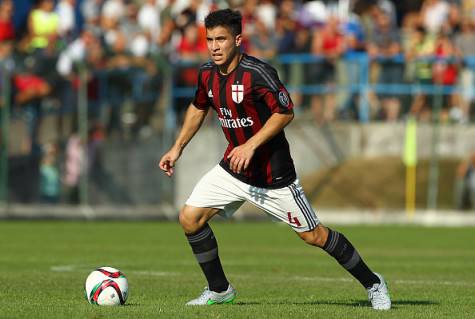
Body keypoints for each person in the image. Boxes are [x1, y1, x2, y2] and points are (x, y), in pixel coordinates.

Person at [158, 9, 391, 310]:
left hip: (273, 176)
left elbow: (286, 112)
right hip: (233, 169)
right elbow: (198, 107)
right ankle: (219, 290)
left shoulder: (258, 73)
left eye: (221, 39)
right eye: (210, 40)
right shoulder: (207, 74)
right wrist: (177, 147)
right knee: (190, 218)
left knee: (314, 235)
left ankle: (374, 283)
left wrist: (251, 145)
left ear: (238, 40)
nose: (214, 46)